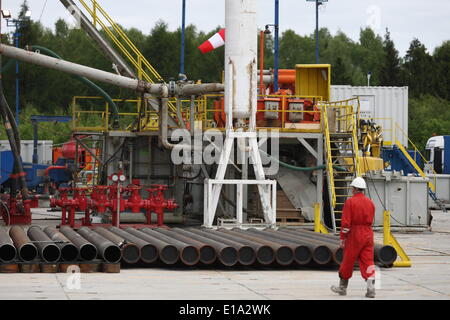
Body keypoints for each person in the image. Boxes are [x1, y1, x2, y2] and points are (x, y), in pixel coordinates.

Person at [330, 176, 376, 298]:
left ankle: (342, 288)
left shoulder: (350, 202)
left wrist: (343, 238)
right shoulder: (370, 203)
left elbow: (345, 223)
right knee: (368, 261)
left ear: (355, 189)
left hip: (354, 234)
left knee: (348, 261)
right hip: (368, 234)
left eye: (352, 188)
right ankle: (371, 289)